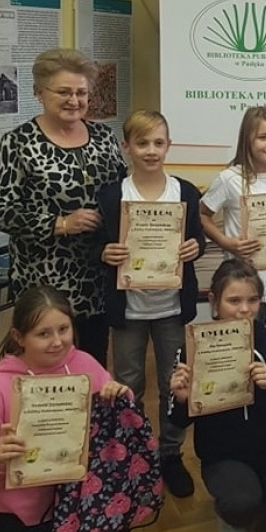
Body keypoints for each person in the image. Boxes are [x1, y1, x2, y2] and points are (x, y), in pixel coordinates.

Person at [0, 286, 132, 532]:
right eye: (43, 334)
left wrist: (121, 398)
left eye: (63, 329)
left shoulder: (84, 364)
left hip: (79, 493)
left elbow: (116, 425)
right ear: (19, 337)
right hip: (17, 504)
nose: (57, 341)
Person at [0, 48, 125, 366]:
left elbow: (124, 194)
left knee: (91, 365)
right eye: (63, 92)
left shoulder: (104, 137)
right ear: (39, 92)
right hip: (44, 285)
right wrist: (59, 223)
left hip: (97, 279)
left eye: (81, 93)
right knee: (46, 372)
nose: (74, 100)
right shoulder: (18, 143)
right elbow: (1, 211)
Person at [96, 109, 206, 499]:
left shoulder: (185, 192)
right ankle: (132, 453)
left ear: (168, 145)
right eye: (142, 143)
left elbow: (197, 238)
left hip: (171, 307)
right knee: (129, 384)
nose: (151, 150)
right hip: (128, 309)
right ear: (126, 146)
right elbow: (97, 245)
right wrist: (104, 252)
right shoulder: (112, 195)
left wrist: (195, 247)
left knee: (173, 384)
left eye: (158, 143)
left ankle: (170, 454)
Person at [168, 259, 266, 532]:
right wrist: (181, 399)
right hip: (223, 454)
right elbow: (176, 420)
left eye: (253, 300)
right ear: (214, 302)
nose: (244, 309)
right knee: (241, 501)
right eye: (234, 300)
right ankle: (233, 511)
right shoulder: (193, 347)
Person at [199, 106, 266, 304]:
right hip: (243, 286)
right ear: (248, 140)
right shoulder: (229, 178)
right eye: (263, 137)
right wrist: (226, 242)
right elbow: (202, 215)